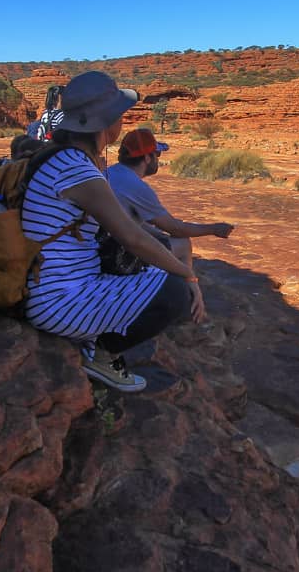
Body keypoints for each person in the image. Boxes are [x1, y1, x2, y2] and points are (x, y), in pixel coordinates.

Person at [22, 71, 204, 393]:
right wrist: (188, 275)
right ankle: (101, 355)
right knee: (174, 291)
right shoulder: (76, 168)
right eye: (120, 115)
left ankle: (97, 335)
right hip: (57, 299)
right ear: (106, 121)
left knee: (157, 256)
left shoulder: (62, 157)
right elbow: (131, 237)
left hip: (54, 283)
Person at [107, 128, 235, 268]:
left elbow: (129, 222)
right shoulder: (136, 186)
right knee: (183, 243)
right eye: (157, 154)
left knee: (153, 230)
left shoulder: (109, 172)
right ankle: (189, 286)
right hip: (114, 257)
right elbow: (176, 229)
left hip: (101, 245)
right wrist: (215, 229)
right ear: (147, 158)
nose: (158, 159)